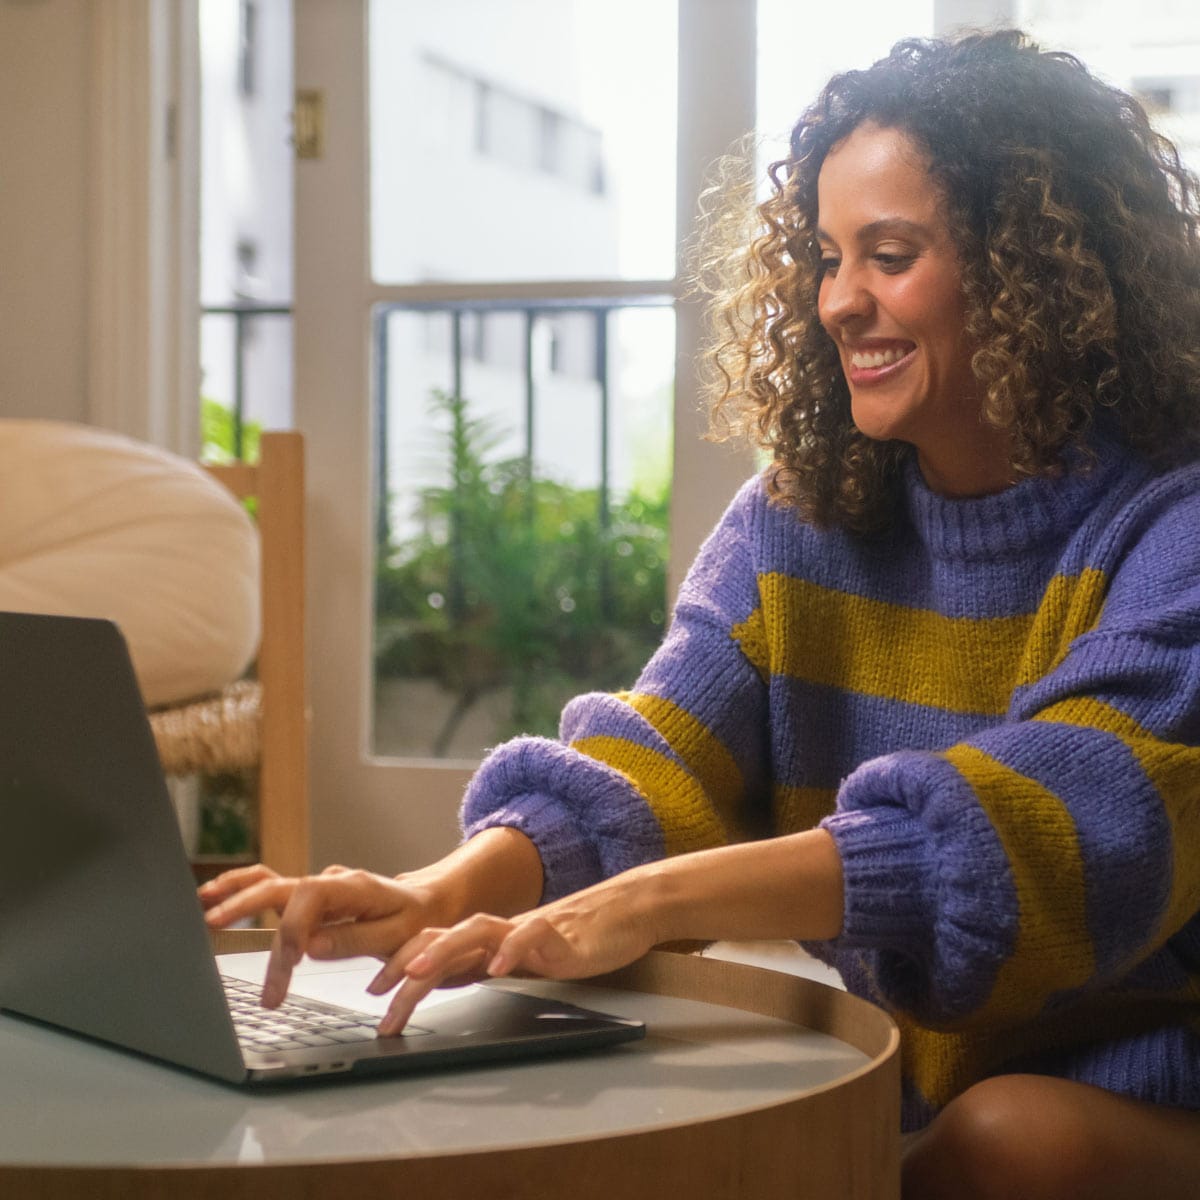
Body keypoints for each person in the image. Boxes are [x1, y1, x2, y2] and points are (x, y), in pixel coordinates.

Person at [203, 30, 1200, 1198]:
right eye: (826, 258)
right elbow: (664, 750)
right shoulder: (800, 517)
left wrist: (648, 903)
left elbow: (1053, 836)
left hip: (1152, 1085)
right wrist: (439, 890)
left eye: (888, 254)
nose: (839, 302)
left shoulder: (1170, 522)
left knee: (1004, 1144)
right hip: (916, 1082)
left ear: (1043, 272)